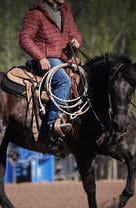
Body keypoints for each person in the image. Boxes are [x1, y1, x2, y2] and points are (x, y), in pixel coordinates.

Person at [19, 0, 82, 148]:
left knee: (84, 78)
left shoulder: (65, 12)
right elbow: (25, 38)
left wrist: (76, 41)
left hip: (65, 59)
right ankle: (50, 126)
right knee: (64, 82)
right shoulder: (36, 14)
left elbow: (75, 33)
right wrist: (40, 57)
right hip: (48, 59)